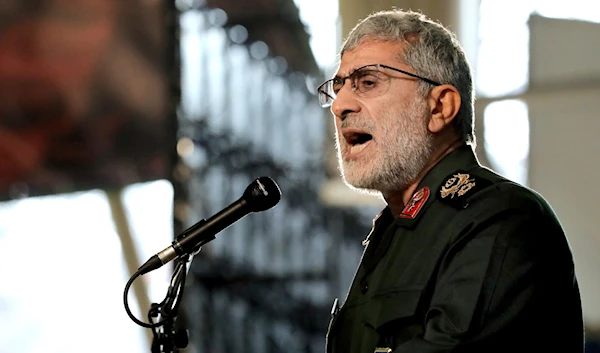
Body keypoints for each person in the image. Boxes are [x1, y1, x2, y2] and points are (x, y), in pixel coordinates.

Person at [317, 9, 584, 353]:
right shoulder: (394, 232)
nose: (340, 105)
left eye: (368, 82)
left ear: (440, 107)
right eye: (337, 88)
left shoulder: (500, 217)